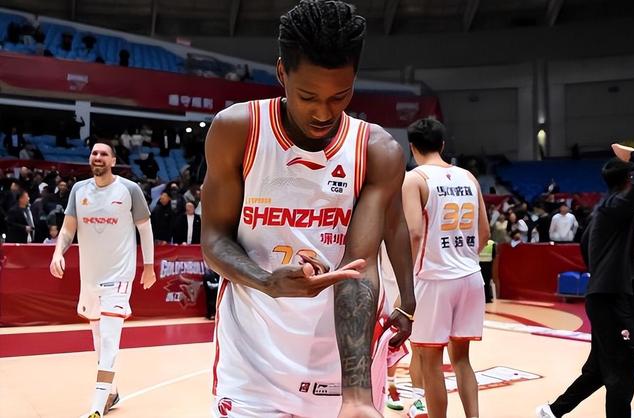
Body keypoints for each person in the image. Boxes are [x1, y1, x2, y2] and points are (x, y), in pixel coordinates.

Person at [200, 1, 415, 417]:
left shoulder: (376, 150)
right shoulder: (237, 130)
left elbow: (359, 266)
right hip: (251, 361)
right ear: (282, 72)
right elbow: (213, 240)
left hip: (339, 357)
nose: (323, 112)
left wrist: (356, 394)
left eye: (340, 96)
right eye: (307, 96)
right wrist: (266, 281)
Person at [536, 144, 634, 418]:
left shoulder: (608, 210)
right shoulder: (614, 207)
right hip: (612, 299)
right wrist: (633, 155)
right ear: (628, 180)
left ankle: (552, 412)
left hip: (613, 294)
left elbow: (585, 245)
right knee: (623, 367)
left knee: (600, 369)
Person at [49, 141, 156, 418]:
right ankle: (112, 391)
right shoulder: (78, 190)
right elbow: (67, 229)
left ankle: (96, 407)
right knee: (99, 339)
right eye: (94, 153)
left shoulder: (129, 189)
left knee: (109, 339)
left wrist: (149, 266)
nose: (98, 157)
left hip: (119, 276)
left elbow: (145, 229)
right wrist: (58, 253)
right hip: (90, 278)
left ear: (113, 161)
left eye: (104, 154)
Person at [401, 118, 489, 418]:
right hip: (471, 276)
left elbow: (414, 233)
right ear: (442, 144)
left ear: (412, 148)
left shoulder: (414, 179)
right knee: (462, 359)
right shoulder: (469, 177)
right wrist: (461, 258)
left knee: (430, 362)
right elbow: (484, 233)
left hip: (434, 278)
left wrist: (406, 283)